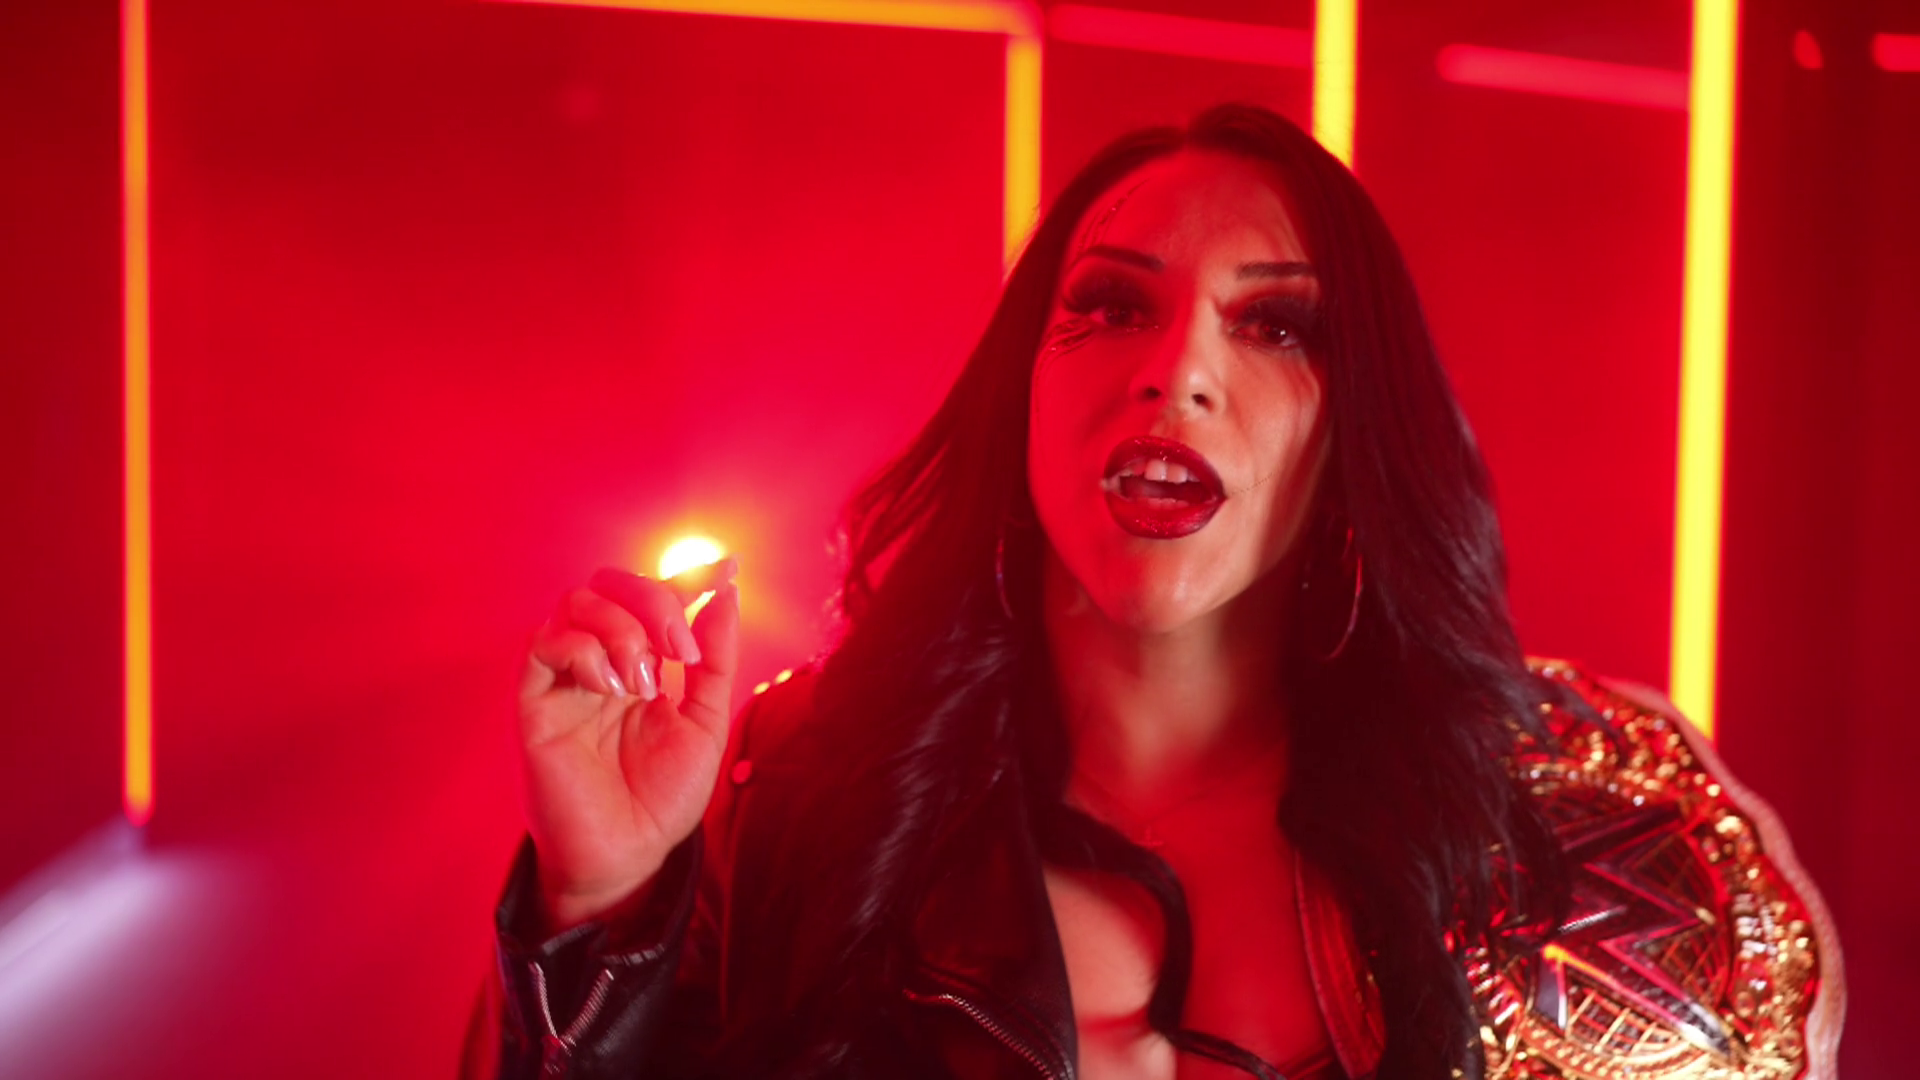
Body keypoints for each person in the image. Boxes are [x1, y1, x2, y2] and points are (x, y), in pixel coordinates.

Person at [461, 104, 1843, 1080]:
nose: (1177, 369)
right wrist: (599, 906)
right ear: (1023, 392)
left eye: (1276, 324)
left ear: (1354, 439)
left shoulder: (1571, 838)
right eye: (1114, 306)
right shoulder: (790, 804)